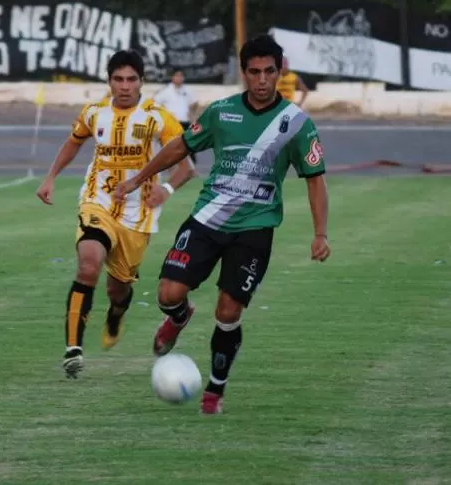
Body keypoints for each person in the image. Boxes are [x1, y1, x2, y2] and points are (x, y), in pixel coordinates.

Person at [113, 34, 331, 414]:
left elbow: (315, 179)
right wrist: (137, 178)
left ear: (280, 72)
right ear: (244, 74)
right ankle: (179, 318)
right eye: (254, 72)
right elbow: (181, 146)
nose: (262, 80)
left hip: (255, 227)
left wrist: (320, 234)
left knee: (229, 312)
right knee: (168, 294)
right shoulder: (221, 112)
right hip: (207, 218)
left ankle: (215, 388)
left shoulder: (296, 124)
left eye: (269, 72)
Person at [36, 49, 198, 379]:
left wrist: (165, 190)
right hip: (98, 201)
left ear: (141, 82)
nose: (124, 86)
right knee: (88, 264)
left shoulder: (157, 117)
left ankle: (116, 311)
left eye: (131, 79)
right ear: (109, 81)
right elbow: (74, 141)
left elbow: (187, 167)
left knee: (117, 288)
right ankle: (73, 350)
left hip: (138, 215)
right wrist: (50, 176)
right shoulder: (94, 112)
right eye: (118, 79)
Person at [154, 69, 200, 164]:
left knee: (187, 146)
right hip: (172, 123)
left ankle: (189, 167)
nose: (179, 78)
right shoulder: (166, 90)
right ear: (172, 77)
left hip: (185, 122)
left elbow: (194, 103)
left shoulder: (187, 90)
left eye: (181, 76)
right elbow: (154, 102)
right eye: (177, 76)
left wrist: (192, 114)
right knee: (172, 146)